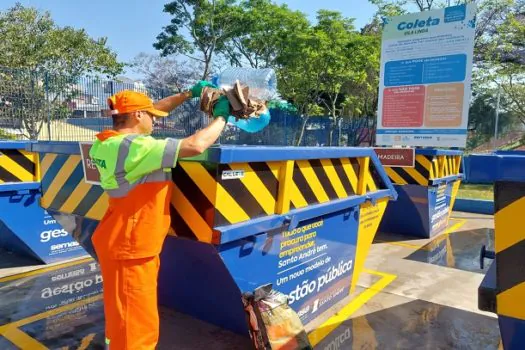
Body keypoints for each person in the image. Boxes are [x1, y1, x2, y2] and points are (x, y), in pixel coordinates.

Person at [89, 81, 229, 349]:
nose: (155, 119)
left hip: (122, 241)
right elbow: (196, 145)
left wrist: (187, 94)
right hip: (131, 247)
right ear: (138, 116)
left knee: (124, 316)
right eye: (150, 115)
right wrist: (223, 116)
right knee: (135, 327)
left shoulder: (107, 143)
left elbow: (154, 109)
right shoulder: (136, 148)